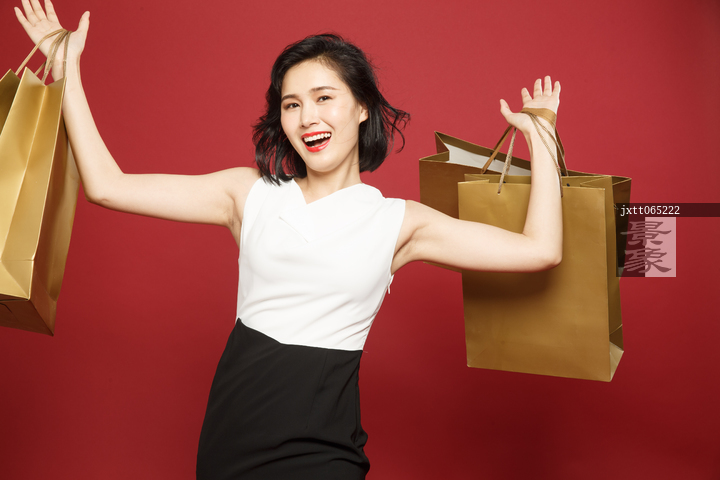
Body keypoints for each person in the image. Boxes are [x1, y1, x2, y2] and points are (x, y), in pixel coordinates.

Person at [15, 1, 563, 478]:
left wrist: (541, 136)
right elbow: (106, 186)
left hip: (324, 452)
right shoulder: (248, 194)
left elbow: (541, 250)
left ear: (362, 106)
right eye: (292, 104)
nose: (307, 118)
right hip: (233, 441)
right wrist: (67, 68)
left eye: (324, 97)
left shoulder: (399, 222)